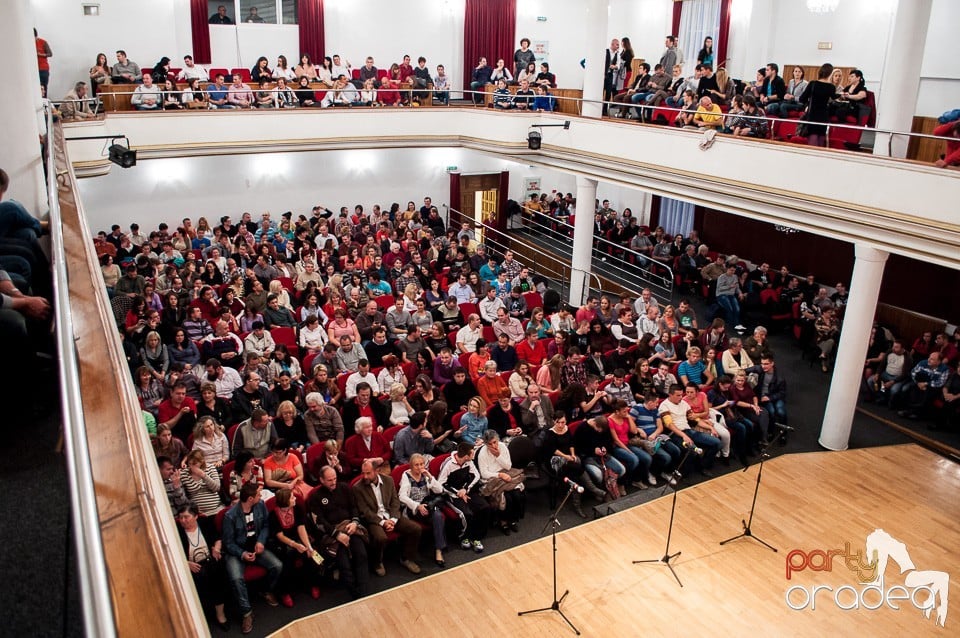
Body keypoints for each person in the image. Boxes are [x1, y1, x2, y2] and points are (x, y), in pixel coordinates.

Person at [222, 483, 283, 634]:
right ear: (250, 499)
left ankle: (265, 590)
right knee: (236, 578)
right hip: (237, 551)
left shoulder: (260, 505)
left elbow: (265, 526)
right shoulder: (230, 516)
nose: (261, 497)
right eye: (258, 495)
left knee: (277, 566)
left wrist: (261, 541)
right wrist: (242, 554)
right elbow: (228, 543)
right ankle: (247, 613)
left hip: (256, 546)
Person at [306, 465, 370, 598]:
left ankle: (364, 592)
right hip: (332, 534)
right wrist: (337, 534)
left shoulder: (345, 488)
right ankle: (354, 594)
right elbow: (318, 522)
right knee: (344, 564)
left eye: (335, 478)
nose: (333, 482)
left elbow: (354, 507)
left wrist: (354, 522)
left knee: (361, 555)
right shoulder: (315, 497)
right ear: (321, 480)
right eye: (329, 480)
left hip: (350, 527)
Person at [353, 458, 422, 576]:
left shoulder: (388, 480)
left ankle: (407, 558)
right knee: (381, 538)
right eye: (363, 473)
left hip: (390, 515)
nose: (365, 476)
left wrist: (393, 520)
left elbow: (395, 502)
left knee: (416, 529)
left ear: (377, 471)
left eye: (368, 473)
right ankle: (377, 562)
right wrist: (383, 523)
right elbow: (365, 511)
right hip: (374, 519)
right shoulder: (358, 487)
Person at [175, 503, 230, 631]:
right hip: (191, 565)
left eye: (186, 517)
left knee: (217, 577)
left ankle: (220, 614)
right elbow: (172, 552)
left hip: (209, 560)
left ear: (195, 517)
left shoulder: (205, 523)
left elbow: (218, 538)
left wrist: (217, 548)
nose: (183, 520)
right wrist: (185, 563)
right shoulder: (176, 530)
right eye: (181, 517)